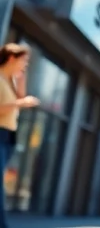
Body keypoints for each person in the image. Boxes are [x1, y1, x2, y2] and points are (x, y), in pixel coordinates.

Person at [0, 43, 40, 228]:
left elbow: (19, 98)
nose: (25, 64)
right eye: (23, 60)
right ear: (11, 58)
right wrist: (20, 103)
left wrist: (21, 80)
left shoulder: (10, 80)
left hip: (9, 136)